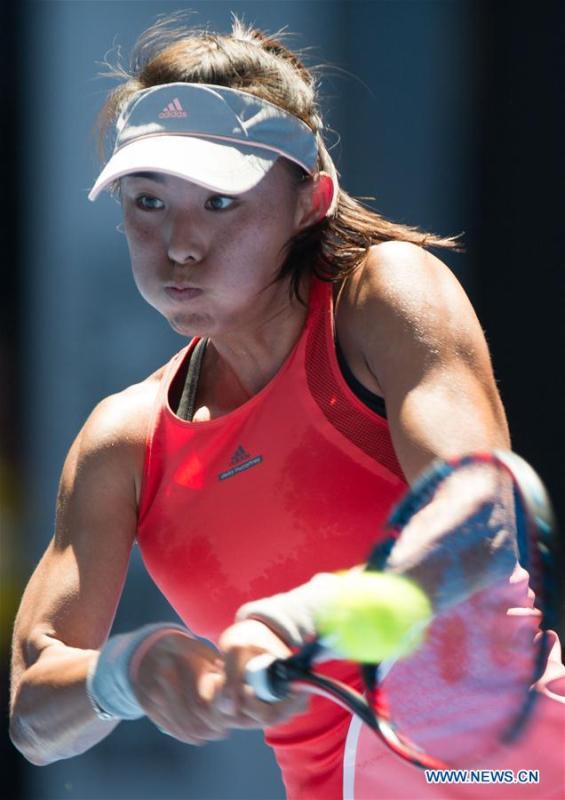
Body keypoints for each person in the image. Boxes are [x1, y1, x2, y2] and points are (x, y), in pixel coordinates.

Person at [9, 16, 564, 800]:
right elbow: (33, 712)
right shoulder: (120, 441)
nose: (180, 243)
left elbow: (482, 520)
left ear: (312, 201)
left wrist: (307, 618)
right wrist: (124, 675)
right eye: (147, 201)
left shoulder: (384, 293)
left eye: (220, 202)